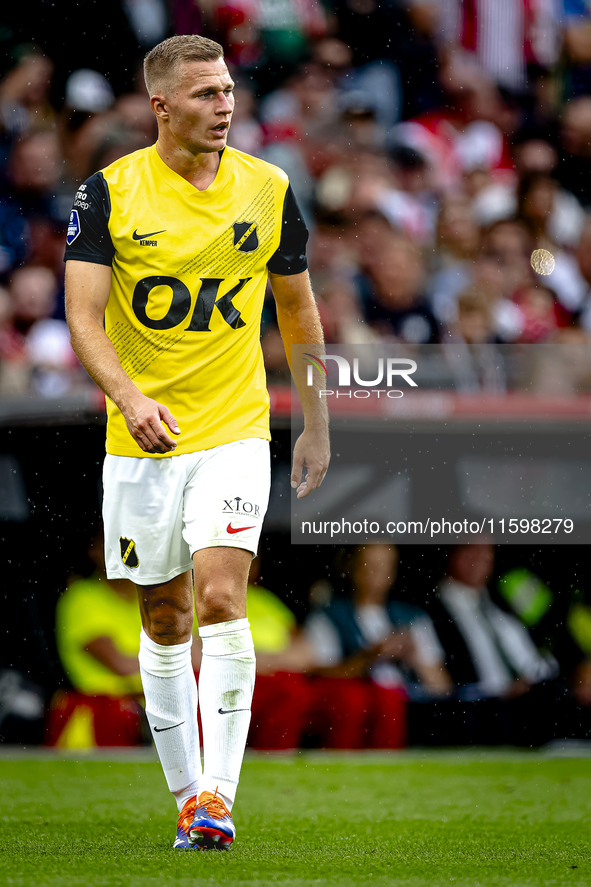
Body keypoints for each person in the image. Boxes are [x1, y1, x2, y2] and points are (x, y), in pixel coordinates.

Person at [64, 34, 329, 851]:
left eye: (227, 91)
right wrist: (130, 395)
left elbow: (298, 312)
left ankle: (218, 794)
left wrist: (316, 419)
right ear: (161, 107)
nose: (224, 106)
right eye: (206, 94)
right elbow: (81, 316)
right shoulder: (108, 194)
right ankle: (186, 793)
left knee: (220, 596)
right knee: (165, 614)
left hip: (233, 427)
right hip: (141, 436)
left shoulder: (268, 187)